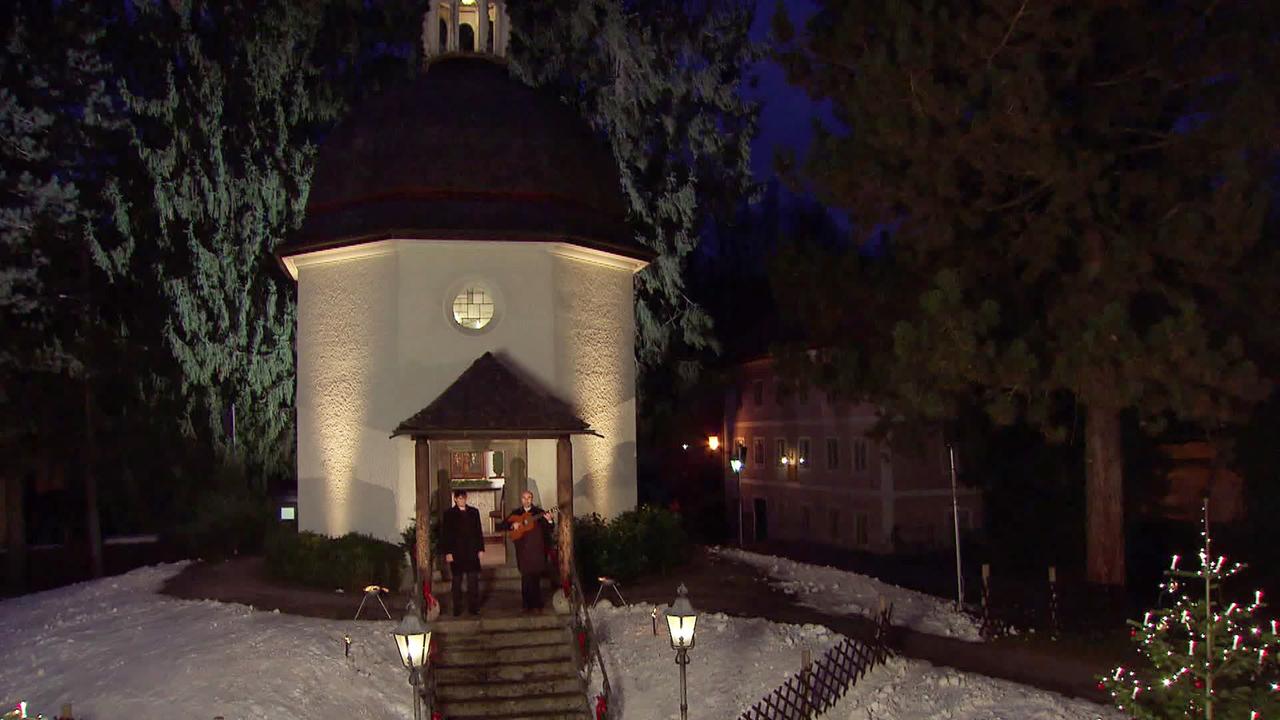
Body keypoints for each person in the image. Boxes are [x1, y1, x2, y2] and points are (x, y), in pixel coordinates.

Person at [504, 490, 554, 612]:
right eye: (524, 498)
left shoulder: (539, 512)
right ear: (521, 499)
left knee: (535, 577)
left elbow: (549, 529)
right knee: (525, 577)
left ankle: (537, 604)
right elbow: (504, 525)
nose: (527, 500)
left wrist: (549, 520)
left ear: (532, 499)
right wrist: (513, 525)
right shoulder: (516, 513)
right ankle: (526, 604)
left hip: (536, 549)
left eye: (529, 498)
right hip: (523, 549)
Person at [440, 489, 484, 616]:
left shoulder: (474, 512)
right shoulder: (449, 514)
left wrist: (481, 548)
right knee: (457, 581)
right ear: (455, 499)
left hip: (472, 551)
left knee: (473, 581)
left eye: (463, 498)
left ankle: (473, 607)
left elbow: (478, 531)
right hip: (456, 552)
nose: (462, 500)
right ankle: (457, 608)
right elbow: (446, 534)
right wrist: (448, 552)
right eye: (459, 498)